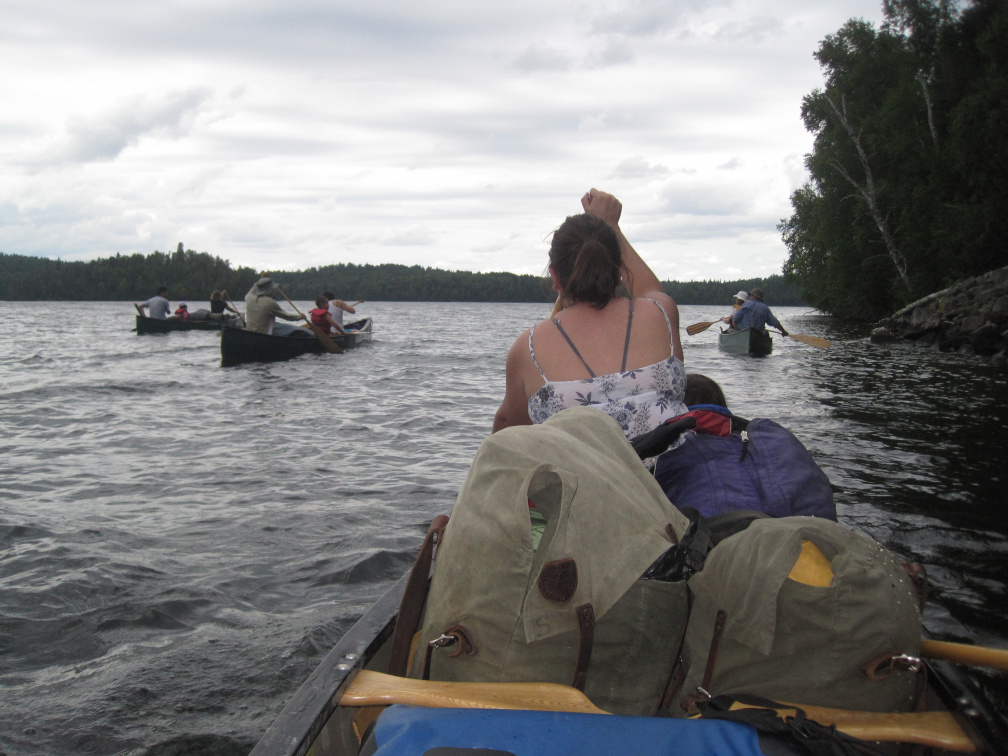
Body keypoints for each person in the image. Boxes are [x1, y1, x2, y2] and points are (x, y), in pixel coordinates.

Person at [493, 188, 687, 442]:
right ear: (619, 268)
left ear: (554, 276)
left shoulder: (527, 349)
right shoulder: (661, 314)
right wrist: (611, 225)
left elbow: (508, 427)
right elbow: (650, 289)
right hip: (671, 479)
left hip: (585, 481)